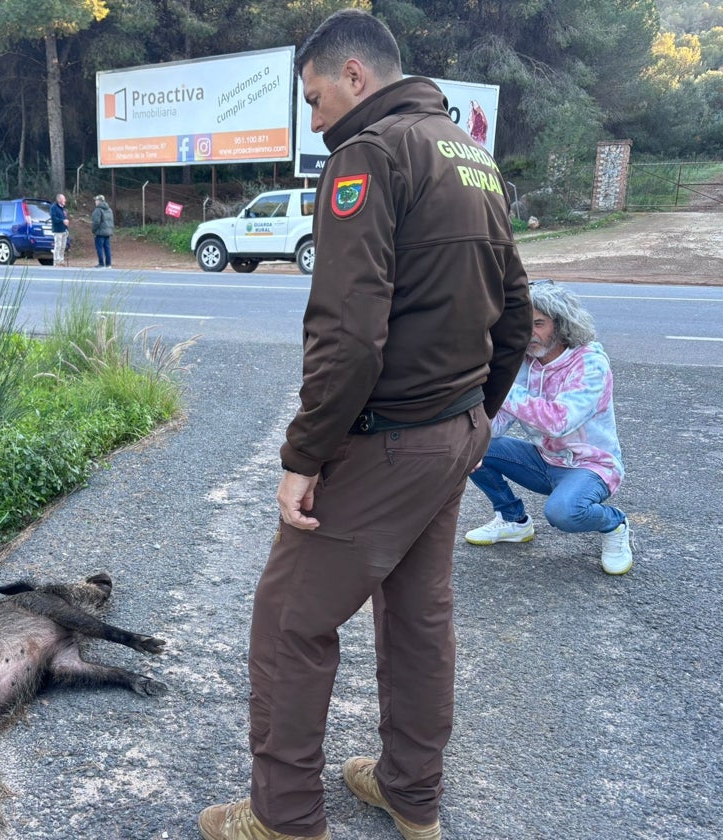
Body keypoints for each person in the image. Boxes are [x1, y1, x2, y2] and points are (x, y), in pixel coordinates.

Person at [197, 9, 531, 840]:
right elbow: (518, 312)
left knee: (289, 621)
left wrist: (304, 455)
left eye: (313, 100)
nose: (313, 121)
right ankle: (413, 798)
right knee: (419, 620)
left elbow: (349, 335)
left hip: (390, 437)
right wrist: (477, 418)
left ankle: (284, 819)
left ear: (354, 76)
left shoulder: (368, 155)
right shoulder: (472, 157)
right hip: (453, 429)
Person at [464, 280, 632, 575]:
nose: (530, 333)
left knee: (563, 513)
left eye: (539, 323)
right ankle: (513, 520)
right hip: (545, 460)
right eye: (523, 324)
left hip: (591, 467)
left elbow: (558, 421)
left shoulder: (590, 363)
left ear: (561, 324)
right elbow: (501, 420)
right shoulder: (526, 362)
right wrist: (473, 440)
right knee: (467, 444)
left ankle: (614, 524)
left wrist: (499, 387)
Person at [91, 194, 114, 267]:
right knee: (107, 248)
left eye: (96, 200)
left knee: (99, 248)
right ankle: (108, 264)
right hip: (108, 232)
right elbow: (111, 221)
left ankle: (101, 263)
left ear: (99, 201)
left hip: (100, 232)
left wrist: (93, 230)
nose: (95, 201)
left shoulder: (98, 210)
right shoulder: (109, 209)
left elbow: (96, 222)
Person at [49, 193, 69, 265]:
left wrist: (66, 223)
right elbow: (53, 218)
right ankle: (56, 261)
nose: (65, 200)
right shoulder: (53, 207)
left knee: (63, 246)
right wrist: (62, 221)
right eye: (63, 199)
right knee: (58, 245)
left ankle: (61, 260)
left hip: (64, 230)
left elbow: (65, 217)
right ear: (59, 199)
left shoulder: (63, 208)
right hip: (57, 230)